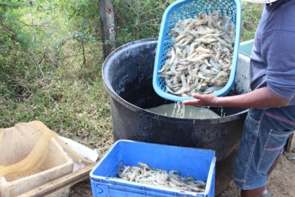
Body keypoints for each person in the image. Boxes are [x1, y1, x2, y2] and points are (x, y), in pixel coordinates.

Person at [183, 0, 295, 197]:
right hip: (287, 112)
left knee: (248, 177)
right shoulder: (282, 7)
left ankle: (256, 189)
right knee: (271, 149)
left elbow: (279, 96)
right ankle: (262, 186)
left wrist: (217, 102)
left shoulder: (284, 30)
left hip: (272, 113)